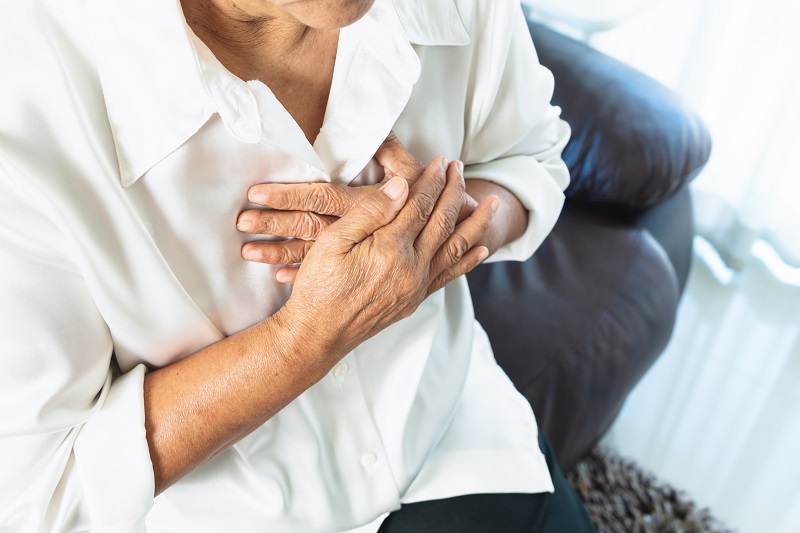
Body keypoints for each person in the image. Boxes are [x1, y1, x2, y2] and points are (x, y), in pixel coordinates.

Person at [0, 0, 595, 531]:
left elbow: (531, 158)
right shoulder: (23, 108)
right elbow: (45, 489)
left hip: (462, 447)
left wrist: (429, 231)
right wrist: (302, 340)